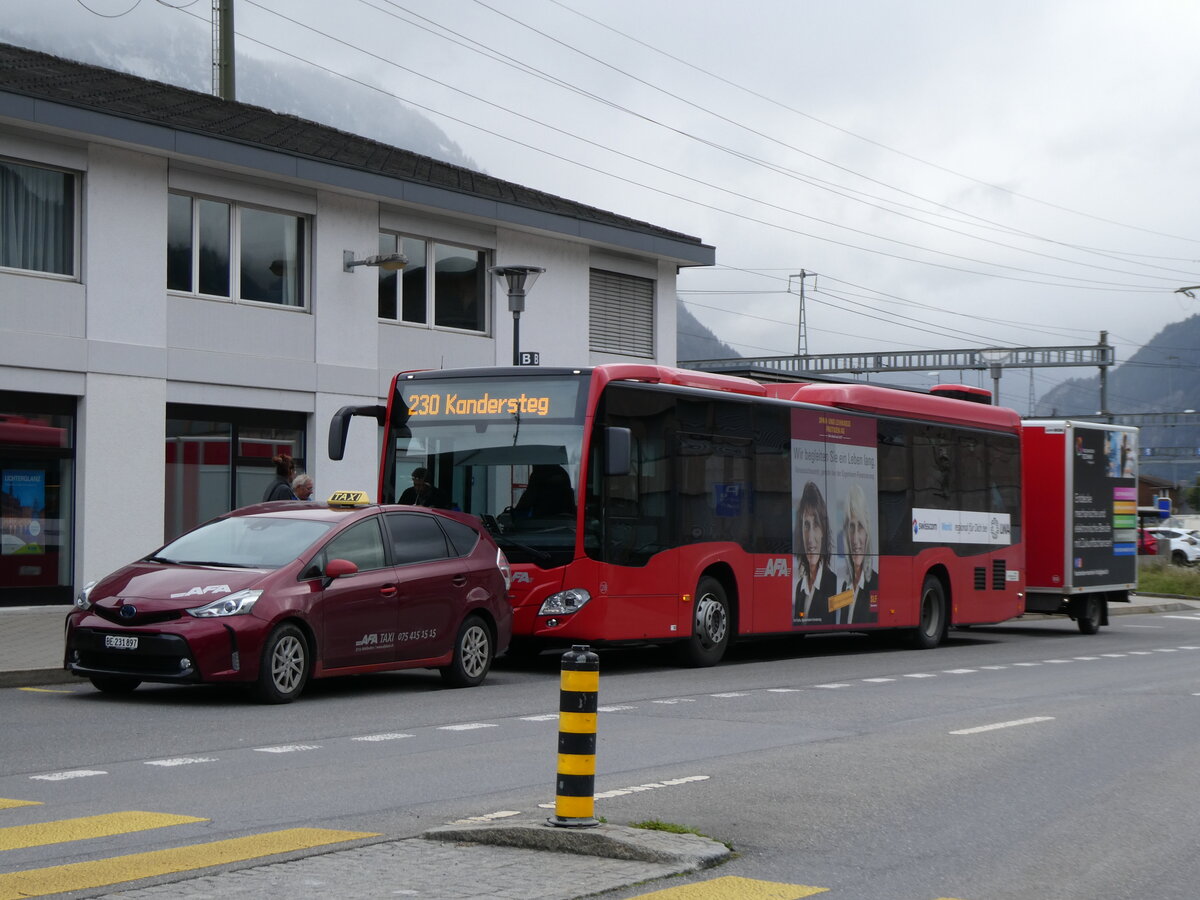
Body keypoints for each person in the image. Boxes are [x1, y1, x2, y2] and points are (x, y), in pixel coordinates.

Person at [793, 481, 837, 625]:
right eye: (806, 525)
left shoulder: (834, 584)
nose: (810, 538)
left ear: (823, 531)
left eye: (816, 525)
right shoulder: (800, 587)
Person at [834, 483, 878, 624]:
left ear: (867, 533)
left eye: (860, 527)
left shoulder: (875, 583)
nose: (855, 538)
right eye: (851, 527)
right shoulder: (845, 586)